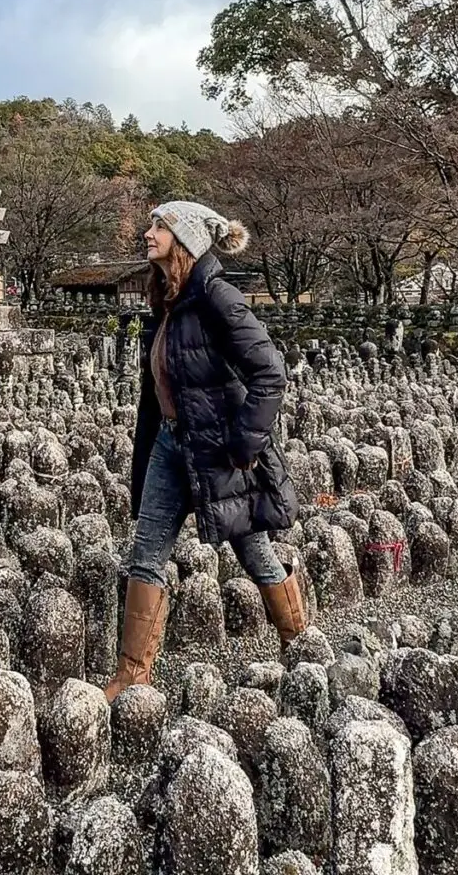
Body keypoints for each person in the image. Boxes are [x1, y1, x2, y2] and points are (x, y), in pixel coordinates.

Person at [105, 200, 305, 703]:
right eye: (151, 224)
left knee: (254, 552)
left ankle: (300, 644)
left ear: (186, 239)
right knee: (146, 551)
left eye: (159, 226)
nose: (148, 233)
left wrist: (244, 445)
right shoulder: (166, 300)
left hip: (217, 451)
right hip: (169, 447)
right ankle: (132, 673)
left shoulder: (218, 297)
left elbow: (269, 372)